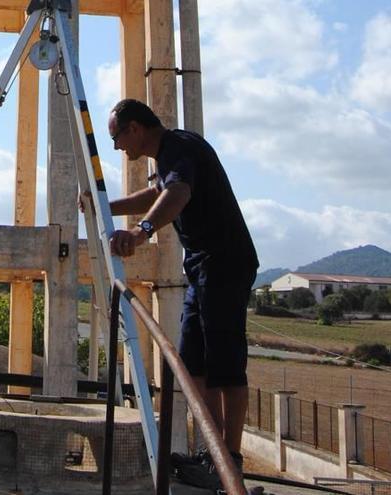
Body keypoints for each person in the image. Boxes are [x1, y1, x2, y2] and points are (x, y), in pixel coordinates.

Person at [104, 99, 258, 490]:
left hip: (223, 263)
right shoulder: (169, 156)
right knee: (192, 363)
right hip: (202, 267)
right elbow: (155, 194)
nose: (118, 147)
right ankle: (213, 456)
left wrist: (140, 233)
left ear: (135, 128)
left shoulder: (178, 149)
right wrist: (103, 207)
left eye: (117, 137)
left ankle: (230, 462)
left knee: (225, 362)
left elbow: (178, 194)